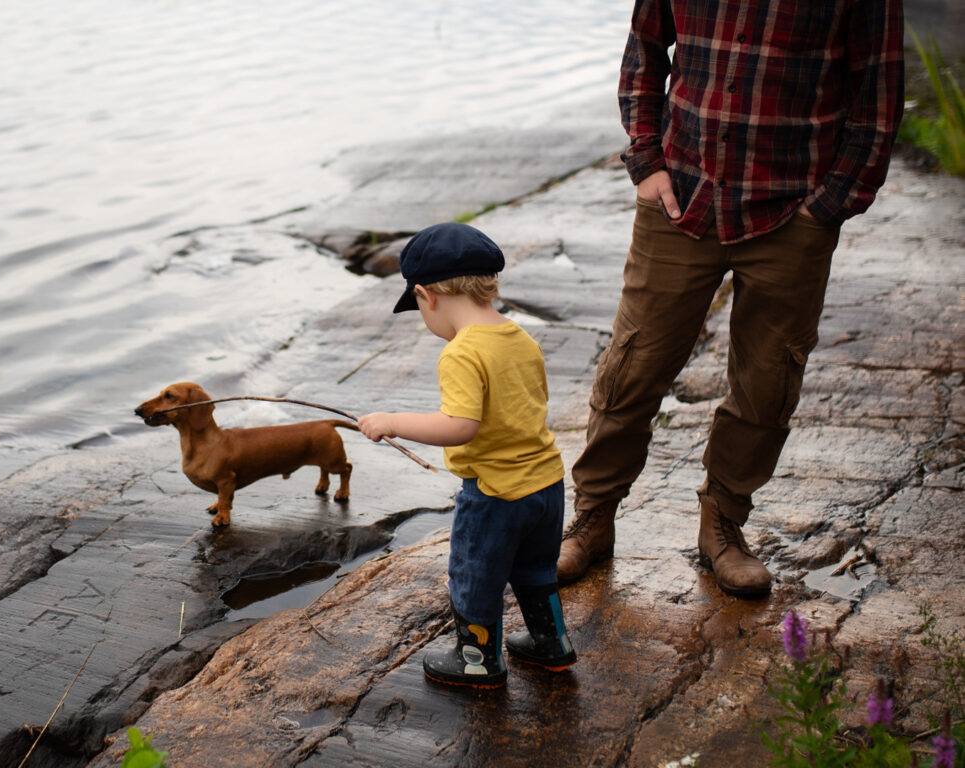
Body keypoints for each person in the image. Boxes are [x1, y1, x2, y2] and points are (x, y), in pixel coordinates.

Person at [559, 0, 904, 596]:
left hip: (792, 208)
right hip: (682, 198)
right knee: (633, 363)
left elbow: (878, 93)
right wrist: (646, 160)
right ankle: (593, 517)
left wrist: (830, 206)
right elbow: (644, 51)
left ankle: (722, 523)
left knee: (768, 380)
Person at [358, 221, 576, 690]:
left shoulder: (461, 353)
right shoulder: (520, 338)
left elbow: (460, 426)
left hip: (496, 494)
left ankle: (477, 661)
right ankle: (551, 643)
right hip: (546, 485)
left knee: (475, 573)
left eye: (417, 306)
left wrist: (392, 421)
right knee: (536, 569)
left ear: (427, 296)